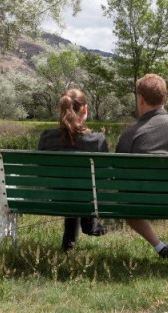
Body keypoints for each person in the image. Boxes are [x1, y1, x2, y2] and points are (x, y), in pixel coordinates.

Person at [116, 73, 168, 258]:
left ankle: (160, 247)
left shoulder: (130, 135)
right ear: (164, 98)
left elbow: (118, 178)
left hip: (141, 204)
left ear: (141, 100)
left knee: (127, 202)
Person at [38, 88, 109, 251]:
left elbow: (41, 170)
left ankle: (70, 243)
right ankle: (90, 225)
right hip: (87, 199)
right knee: (83, 187)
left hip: (54, 199)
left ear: (60, 110)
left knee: (70, 187)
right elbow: (104, 176)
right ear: (84, 109)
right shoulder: (96, 139)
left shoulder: (47, 137)